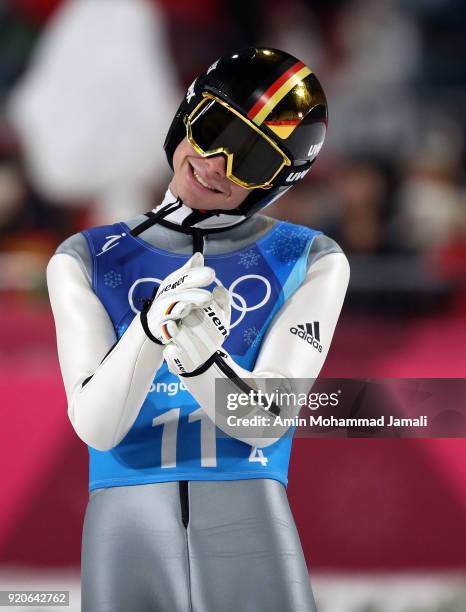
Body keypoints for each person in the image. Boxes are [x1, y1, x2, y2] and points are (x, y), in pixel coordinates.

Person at [47, 47, 349, 612]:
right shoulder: (82, 257)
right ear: (185, 115)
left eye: (252, 161)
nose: (215, 165)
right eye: (213, 129)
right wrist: (150, 331)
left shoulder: (312, 258)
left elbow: (265, 422)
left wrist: (197, 357)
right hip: (130, 516)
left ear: (276, 183)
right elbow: (96, 426)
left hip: (242, 514)